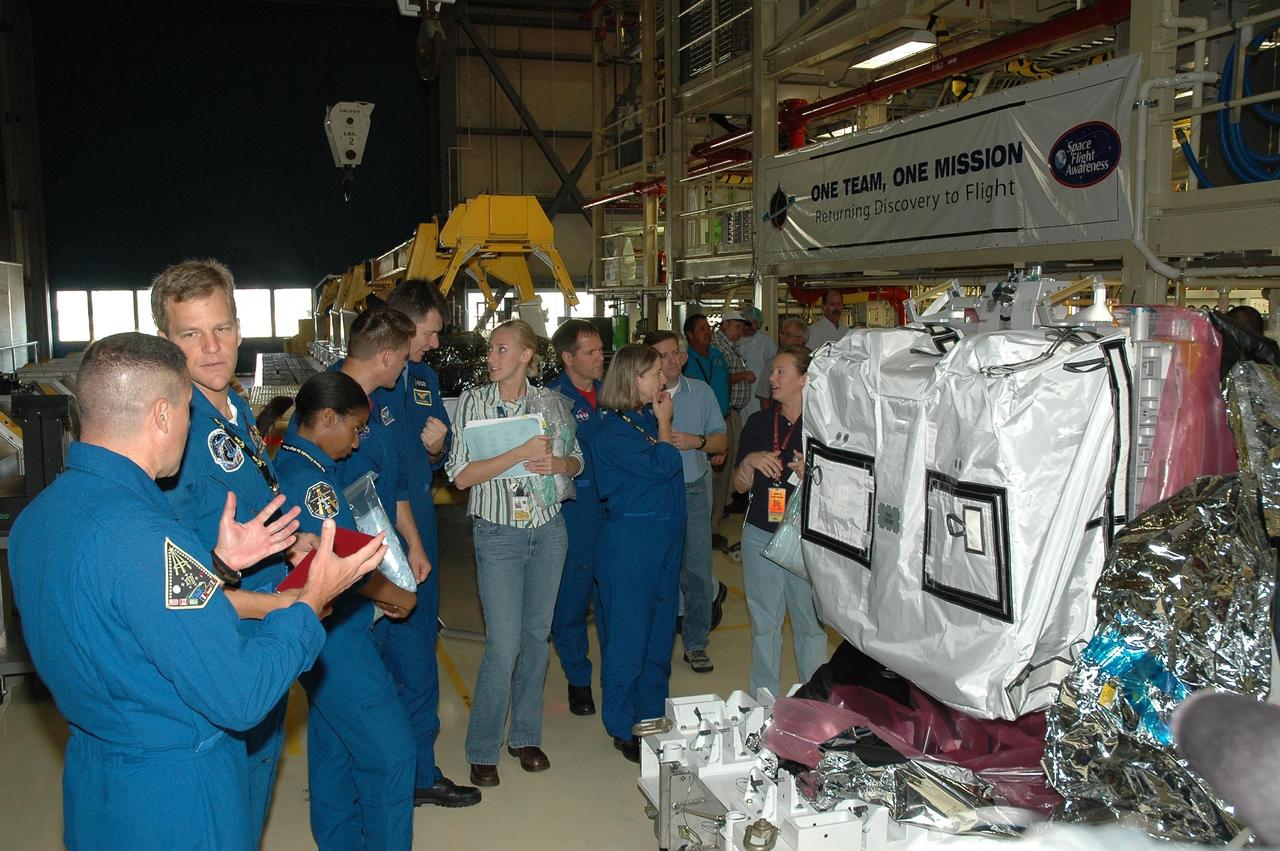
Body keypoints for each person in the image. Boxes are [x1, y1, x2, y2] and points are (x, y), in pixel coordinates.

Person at [10, 332, 385, 851]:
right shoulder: (149, 539)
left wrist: (218, 566)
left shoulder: (37, 521)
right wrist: (309, 602)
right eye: (188, 411)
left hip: (98, 785)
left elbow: (125, 620)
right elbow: (242, 695)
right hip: (178, 797)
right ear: (163, 415)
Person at [152, 258, 314, 835]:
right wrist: (287, 605)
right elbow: (178, 582)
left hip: (264, 625)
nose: (212, 347)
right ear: (166, 342)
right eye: (190, 334)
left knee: (258, 776)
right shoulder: (175, 431)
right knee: (227, 804)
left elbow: (251, 499)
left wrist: (292, 542)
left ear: (240, 330)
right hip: (224, 640)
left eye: (221, 328)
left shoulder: (235, 405)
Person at [275, 371, 417, 850]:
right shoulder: (311, 481)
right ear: (327, 418)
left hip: (321, 632)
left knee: (334, 751)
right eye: (354, 429)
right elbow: (338, 565)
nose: (356, 443)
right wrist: (398, 596)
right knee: (393, 754)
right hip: (337, 637)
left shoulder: (291, 462)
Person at [446, 319, 582, 786]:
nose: (491, 357)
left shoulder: (549, 403)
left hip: (548, 531)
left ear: (526, 355)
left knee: (536, 639)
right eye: (490, 350)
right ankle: (483, 746)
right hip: (498, 533)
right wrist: (520, 453)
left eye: (502, 349)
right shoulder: (473, 402)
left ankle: (525, 736)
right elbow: (461, 476)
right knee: (503, 645)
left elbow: (577, 461)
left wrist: (558, 462)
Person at [379, 280, 480, 808]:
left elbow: (435, 451)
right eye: (431, 332)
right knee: (375, 669)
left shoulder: (422, 378)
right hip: (373, 538)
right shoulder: (360, 384)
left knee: (419, 660)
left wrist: (439, 448)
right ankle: (382, 772)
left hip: (419, 531)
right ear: (403, 323)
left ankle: (420, 771)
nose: (437, 343)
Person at [592, 344, 686, 762]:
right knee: (629, 638)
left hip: (663, 542)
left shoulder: (643, 420)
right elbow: (663, 465)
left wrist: (660, 421)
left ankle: (650, 713)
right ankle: (622, 723)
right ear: (634, 379)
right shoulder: (611, 431)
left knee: (659, 634)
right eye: (654, 374)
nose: (663, 379)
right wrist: (666, 423)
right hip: (630, 545)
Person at [732, 345, 829, 699]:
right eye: (771, 371)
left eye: (780, 372)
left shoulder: (825, 426)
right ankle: (764, 706)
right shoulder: (759, 424)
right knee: (764, 626)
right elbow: (738, 487)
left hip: (806, 538)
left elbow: (845, 491)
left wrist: (813, 476)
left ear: (804, 379)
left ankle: (814, 707)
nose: (771, 379)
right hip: (760, 535)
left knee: (810, 626)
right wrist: (750, 462)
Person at [643, 330, 726, 674]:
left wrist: (697, 441)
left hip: (692, 489)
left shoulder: (701, 393)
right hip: (652, 494)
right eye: (663, 355)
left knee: (696, 570)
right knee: (655, 570)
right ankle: (655, 642)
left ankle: (696, 642)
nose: (672, 360)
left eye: (676, 353)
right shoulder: (639, 396)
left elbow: (721, 441)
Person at [547, 319, 607, 716]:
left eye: (601, 350)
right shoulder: (553, 400)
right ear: (568, 357)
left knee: (613, 597)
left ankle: (616, 672)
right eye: (591, 352)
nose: (600, 357)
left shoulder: (612, 393)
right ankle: (578, 678)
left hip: (616, 508)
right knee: (572, 598)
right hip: (577, 510)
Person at [683, 313, 731, 548]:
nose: (707, 332)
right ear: (689, 334)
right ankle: (701, 528)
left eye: (708, 328)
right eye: (701, 329)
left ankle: (714, 526)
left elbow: (726, 382)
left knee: (722, 478)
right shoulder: (685, 360)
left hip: (721, 421)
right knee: (703, 477)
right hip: (696, 427)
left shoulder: (718, 356)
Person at [713, 309, 756, 523]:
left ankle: (724, 504)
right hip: (724, 411)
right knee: (723, 465)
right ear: (725, 324)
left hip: (734, 411)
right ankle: (716, 512)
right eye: (737, 326)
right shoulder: (718, 347)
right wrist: (743, 376)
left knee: (731, 462)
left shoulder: (732, 346)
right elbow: (721, 378)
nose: (740, 331)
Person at [737, 306, 777, 421]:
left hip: (758, 393)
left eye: (755, 323)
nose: (752, 326)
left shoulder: (766, 343)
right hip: (738, 393)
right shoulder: (734, 341)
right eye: (749, 322)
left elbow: (773, 368)